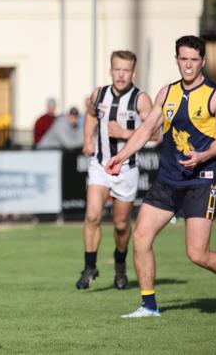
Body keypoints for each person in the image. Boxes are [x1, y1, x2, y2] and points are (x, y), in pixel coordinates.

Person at [105, 36, 216, 317]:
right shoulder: (166, 93)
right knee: (141, 237)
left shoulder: (215, 95)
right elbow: (145, 131)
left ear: (202, 61)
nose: (188, 65)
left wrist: (202, 156)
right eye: (183, 59)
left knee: (198, 254)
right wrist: (121, 156)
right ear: (177, 60)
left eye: (194, 60)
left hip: (201, 181)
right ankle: (149, 306)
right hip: (168, 180)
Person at [75, 50, 153, 290]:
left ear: (133, 73)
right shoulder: (99, 94)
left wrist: (125, 133)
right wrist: (88, 139)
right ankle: (90, 266)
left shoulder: (141, 99)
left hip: (126, 168)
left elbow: (155, 134)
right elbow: (90, 115)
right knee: (92, 215)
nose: (121, 75)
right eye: (117, 69)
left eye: (126, 70)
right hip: (99, 164)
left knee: (120, 225)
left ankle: (120, 262)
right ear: (110, 71)